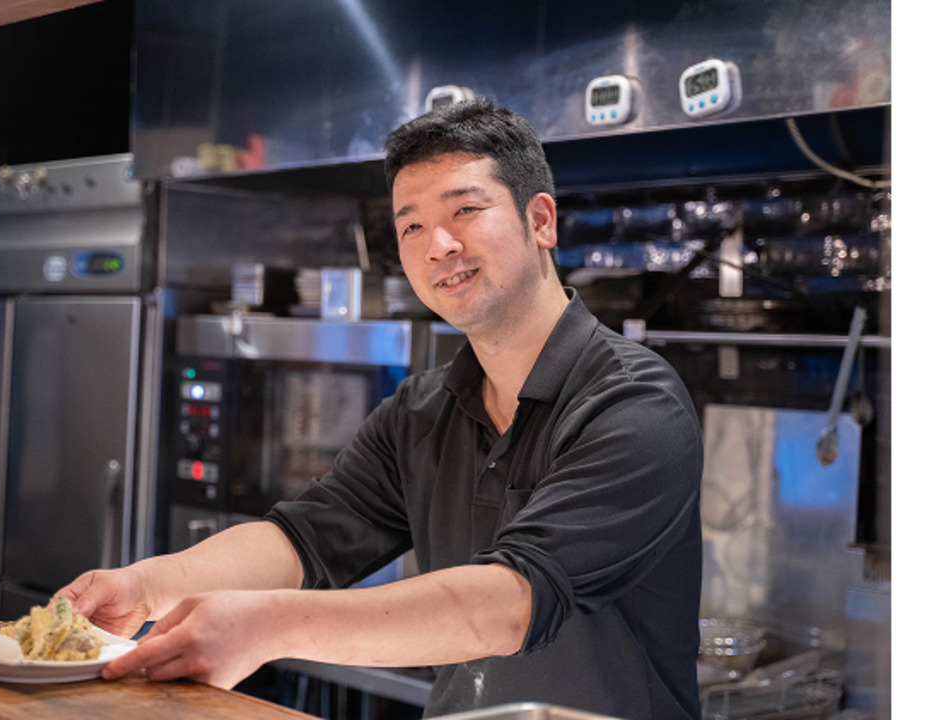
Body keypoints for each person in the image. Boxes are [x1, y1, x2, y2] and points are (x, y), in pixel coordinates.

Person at [57, 98, 704, 719]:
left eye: (466, 209)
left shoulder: (635, 404)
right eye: (411, 226)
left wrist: (266, 624)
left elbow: (513, 602)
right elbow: (304, 539)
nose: (438, 245)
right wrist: (148, 586)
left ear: (540, 221)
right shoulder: (421, 411)